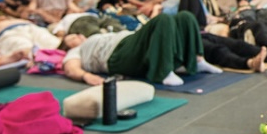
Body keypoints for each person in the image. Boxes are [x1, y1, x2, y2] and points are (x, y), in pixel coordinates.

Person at [60, 11, 217, 86]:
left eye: (77, 35)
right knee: (162, 19)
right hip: (116, 56)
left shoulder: (98, 35)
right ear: (69, 47)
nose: (78, 36)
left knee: (185, 17)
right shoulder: (76, 51)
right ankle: (163, 72)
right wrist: (86, 76)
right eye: (72, 38)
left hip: (130, 42)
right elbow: (70, 69)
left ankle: (197, 60)